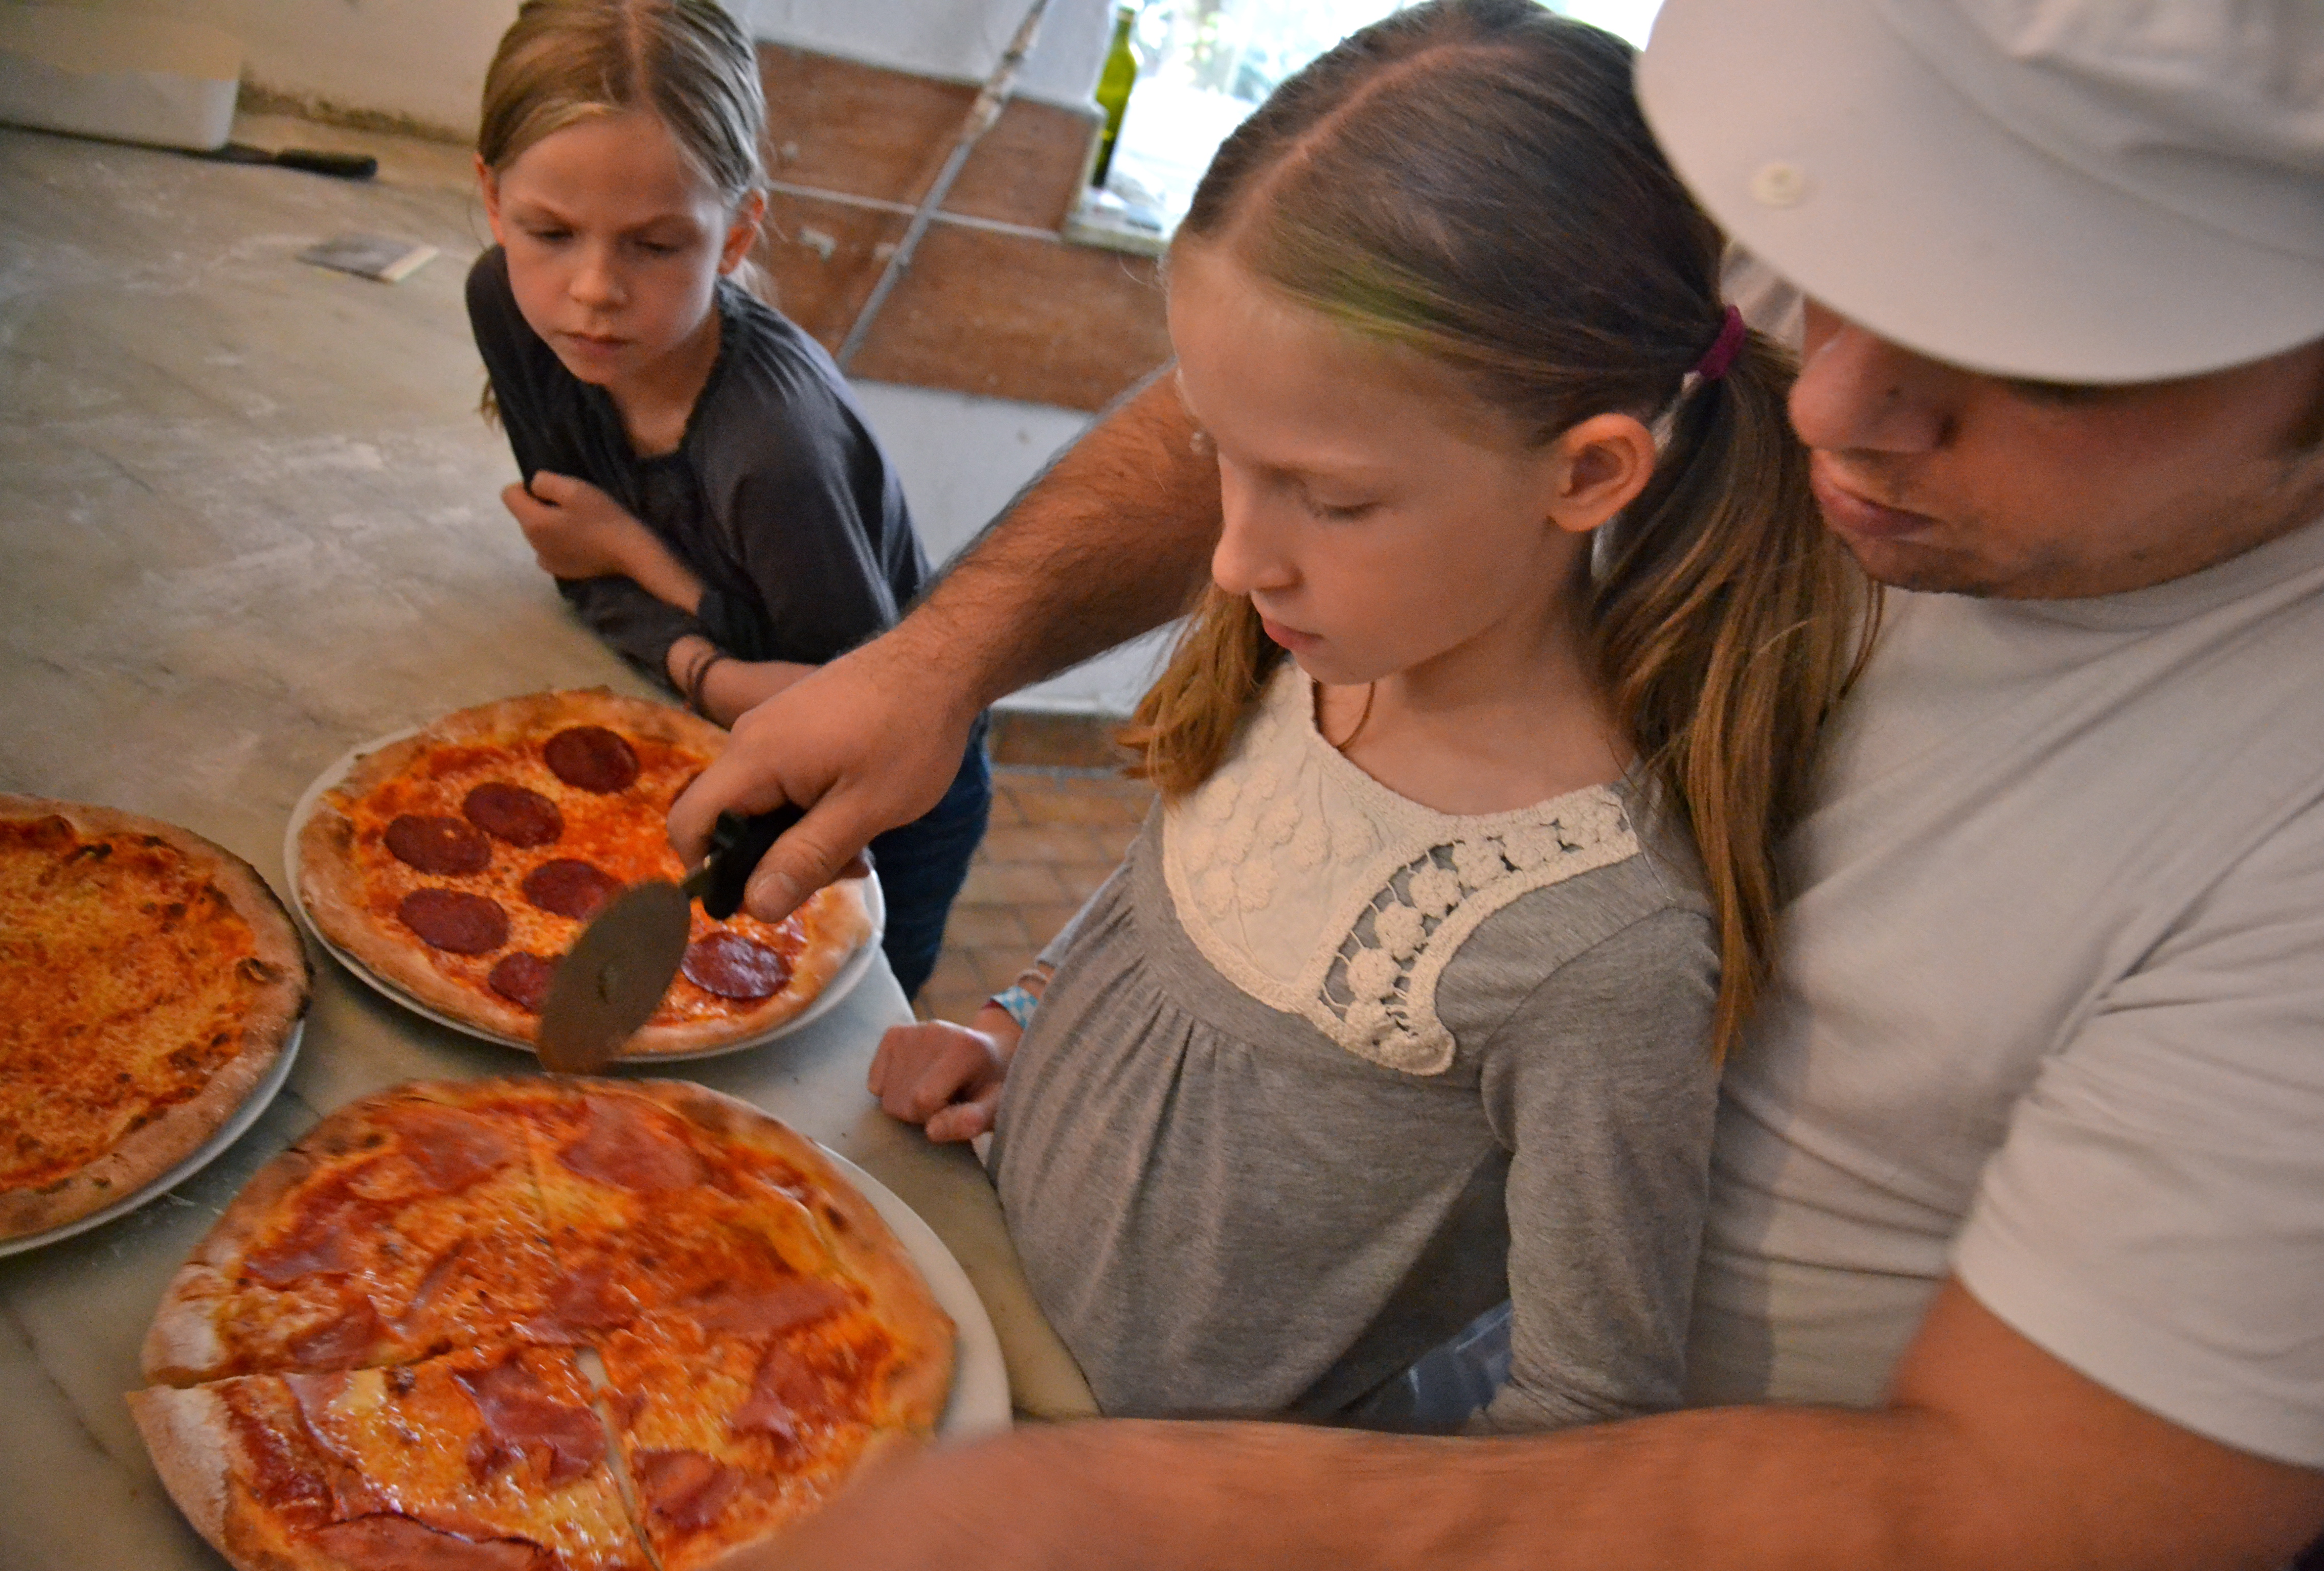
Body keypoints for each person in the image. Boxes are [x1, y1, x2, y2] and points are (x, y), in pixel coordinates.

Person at [678, 0, 2324, 1563]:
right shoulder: (1355, 636)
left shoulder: (1613, 936)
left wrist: (1161, 1516)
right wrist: (943, 675)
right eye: (1834, 272)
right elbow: (1324, 407)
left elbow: (2051, 1507)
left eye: (2037, 361)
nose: (1827, 396)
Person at [868, 3, 1872, 1434]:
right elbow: (1180, 904)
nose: (1233, 557)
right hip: (954, 1308)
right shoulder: (1311, 647)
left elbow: (1585, 1405)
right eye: (1223, 458)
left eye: (1332, 499)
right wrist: (1021, 1027)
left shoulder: (1600, 949)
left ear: (1587, 473)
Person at [466, 0, 989, 997]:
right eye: (549, 231)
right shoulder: (504, 301)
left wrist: (635, 556)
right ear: (493, 200)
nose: (591, 290)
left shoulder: (776, 449)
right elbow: (571, 573)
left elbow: (845, 722)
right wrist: (686, 639)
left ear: (739, 228)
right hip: (702, 731)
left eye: (654, 245)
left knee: (844, 1033)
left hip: (888, 807)